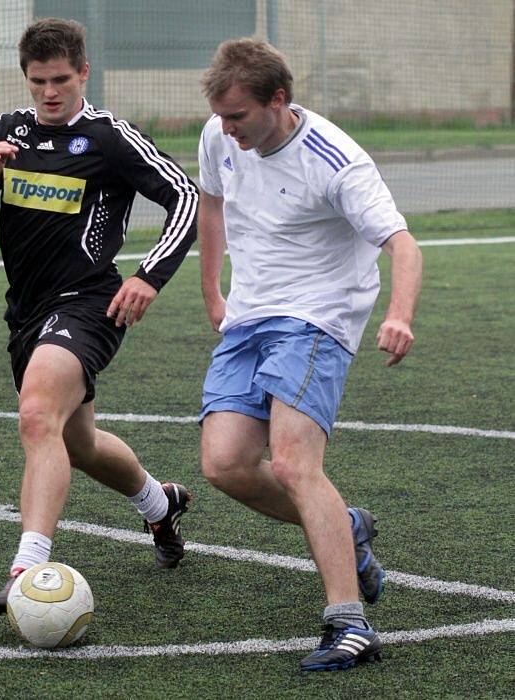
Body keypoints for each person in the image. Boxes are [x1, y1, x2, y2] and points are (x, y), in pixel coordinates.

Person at [0, 18, 198, 615]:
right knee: (78, 443)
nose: (50, 93)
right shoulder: (7, 131)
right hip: (26, 314)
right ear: (26, 79)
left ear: (84, 71)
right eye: (38, 82)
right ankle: (161, 507)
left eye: (61, 79)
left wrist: (148, 275)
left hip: (88, 303)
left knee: (36, 416)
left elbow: (185, 195)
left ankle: (27, 566)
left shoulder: (109, 138)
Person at [197, 38, 422, 671]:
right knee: (225, 464)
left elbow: (403, 245)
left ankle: (350, 624)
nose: (227, 129)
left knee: (295, 465)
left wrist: (398, 315)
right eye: (220, 116)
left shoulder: (336, 160)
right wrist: (213, 287)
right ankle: (346, 527)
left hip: (319, 316)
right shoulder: (220, 135)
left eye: (238, 116)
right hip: (250, 316)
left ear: (279, 100)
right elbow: (210, 200)